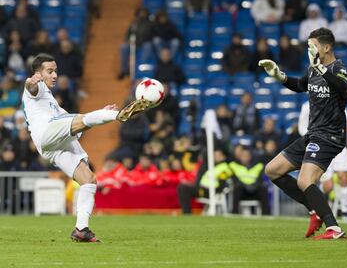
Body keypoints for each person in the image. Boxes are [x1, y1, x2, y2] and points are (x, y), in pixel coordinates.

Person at [22, 54, 151, 242]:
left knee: (89, 180)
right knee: (83, 120)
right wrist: (32, 81)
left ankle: (81, 229)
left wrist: (102, 113)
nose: (55, 75)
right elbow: (30, 88)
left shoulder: (52, 102)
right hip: (46, 132)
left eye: (56, 70)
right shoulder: (37, 87)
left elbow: (80, 123)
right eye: (50, 71)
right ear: (38, 73)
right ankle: (120, 116)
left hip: (53, 145)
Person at [258, 28, 347, 239]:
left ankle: (333, 228)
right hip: (313, 134)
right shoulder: (313, 69)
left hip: (330, 136)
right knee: (272, 170)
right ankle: (314, 209)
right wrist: (279, 76)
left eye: (313, 45)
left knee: (304, 180)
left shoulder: (339, 68)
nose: (309, 49)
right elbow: (300, 86)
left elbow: (342, 88)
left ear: (326, 47)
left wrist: (322, 69)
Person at [299, 101, 347, 220]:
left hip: (338, 145)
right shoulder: (306, 106)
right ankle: (321, 208)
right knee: (328, 186)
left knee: (343, 177)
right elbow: (301, 128)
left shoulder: (338, 103)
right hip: (321, 148)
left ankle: (345, 212)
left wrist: (343, 130)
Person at [177, 148, 232, 214]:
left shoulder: (224, 167)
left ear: (223, 156)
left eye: (218, 155)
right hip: (201, 188)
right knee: (182, 187)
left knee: (184, 188)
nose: (215, 156)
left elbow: (221, 184)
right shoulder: (209, 165)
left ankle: (187, 213)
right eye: (214, 154)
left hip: (210, 191)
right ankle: (186, 212)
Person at [230, 147, 269, 214]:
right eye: (243, 156)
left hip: (255, 191)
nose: (245, 158)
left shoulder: (258, 166)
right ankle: (235, 214)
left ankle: (266, 215)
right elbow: (234, 180)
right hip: (242, 192)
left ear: (250, 156)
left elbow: (260, 180)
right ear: (240, 157)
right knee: (237, 188)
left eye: (246, 156)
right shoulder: (234, 165)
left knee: (263, 189)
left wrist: (253, 186)